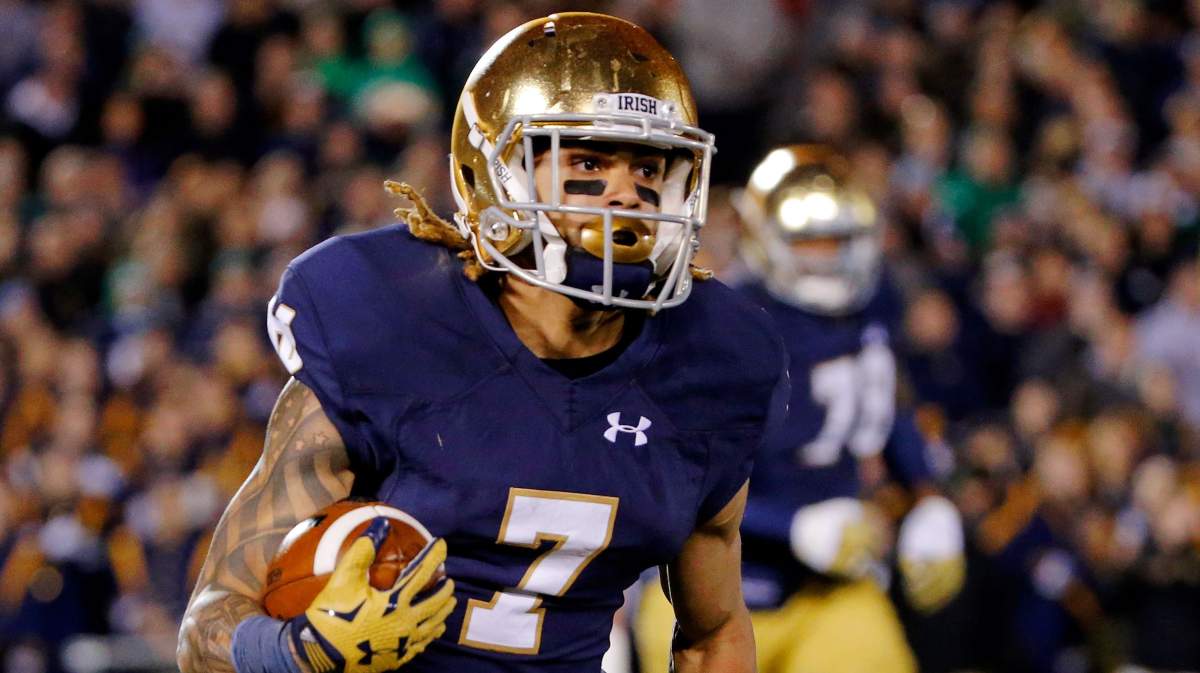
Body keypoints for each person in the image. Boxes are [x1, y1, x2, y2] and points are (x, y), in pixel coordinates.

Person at [177, 13, 787, 673]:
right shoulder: (393, 322)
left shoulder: (710, 361)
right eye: (589, 161)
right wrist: (300, 652)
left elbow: (713, 632)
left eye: (649, 167)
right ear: (497, 175)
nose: (628, 195)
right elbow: (209, 626)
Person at [635, 146, 965, 673]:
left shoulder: (870, 308)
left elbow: (885, 407)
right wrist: (791, 526)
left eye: (838, 241)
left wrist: (928, 498)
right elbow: (680, 482)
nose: (826, 257)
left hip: (828, 587)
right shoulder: (722, 327)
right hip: (708, 588)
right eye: (809, 241)